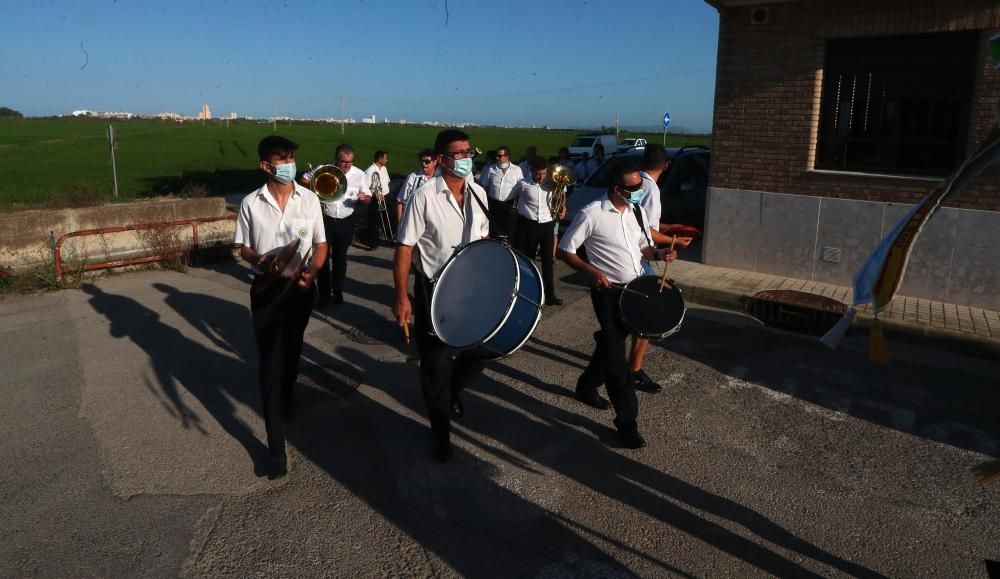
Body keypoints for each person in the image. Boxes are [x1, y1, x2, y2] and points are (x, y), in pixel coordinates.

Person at [557, 162, 676, 449]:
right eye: (634, 188)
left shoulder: (637, 210)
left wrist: (660, 253)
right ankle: (626, 424)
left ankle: (586, 387)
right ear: (616, 189)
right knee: (617, 363)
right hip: (607, 293)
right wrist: (593, 273)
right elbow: (565, 250)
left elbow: (642, 247)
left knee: (611, 343)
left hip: (635, 291)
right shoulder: (591, 213)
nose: (639, 192)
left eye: (640, 187)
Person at [234, 135, 329, 479]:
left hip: (301, 290)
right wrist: (257, 258)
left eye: (290, 157)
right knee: (269, 366)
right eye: (281, 159)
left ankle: (288, 392)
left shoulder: (310, 200)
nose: (288, 164)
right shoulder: (250, 203)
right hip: (266, 292)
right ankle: (276, 449)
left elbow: (320, 244)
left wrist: (313, 273)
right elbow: (241, 246)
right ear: (265, 165)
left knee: (292, 351)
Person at [393, 129, 490, 463]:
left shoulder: (479, 192)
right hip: (433, 289)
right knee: (436, 365)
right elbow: (404, 248)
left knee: (483, 351)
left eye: (468, 152)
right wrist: (402, 296)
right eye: (457, 154)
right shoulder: (424, 196)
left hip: (471, 290)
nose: (465, 158)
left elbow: (484, 242)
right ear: (440, 159)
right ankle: (440, 434)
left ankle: (450, 393)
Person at [628, 144, 692, 393]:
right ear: (666, 166)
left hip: (633, 254)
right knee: (649, 317)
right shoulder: (651, 189)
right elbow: (645, 231)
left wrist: (667, 226)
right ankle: (633, 370)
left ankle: (615, 351)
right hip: (640, 257)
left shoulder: (637, 182)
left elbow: (643, 221)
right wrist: (675, 241)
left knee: (636, 315)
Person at [301, 144, 371, 307]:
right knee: (322, 259)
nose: (346, 165)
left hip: (347, 221)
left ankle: (337, 291)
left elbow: (369, 197)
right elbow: (304, 179)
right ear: (336, 159)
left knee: (341, 259)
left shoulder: (359, 174)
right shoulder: (325, 168)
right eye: (343, 162)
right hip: (326, 220)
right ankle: (324, 294)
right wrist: (314, 185)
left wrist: (363, 198)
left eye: (349, 162)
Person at [512, 156, 563, 306]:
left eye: (543, 173)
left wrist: (562, 206)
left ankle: (550, 295)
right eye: (538, 174)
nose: (541, 177)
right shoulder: (523, 184)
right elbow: (511, 197)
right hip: (529, 225)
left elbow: (561, 196)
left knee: (547, 262)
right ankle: (529, 293)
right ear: (532, 171)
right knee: (529, 260)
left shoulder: (551, 182)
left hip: (547, 225)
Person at [478, 144, 523, 238]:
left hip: (509, 206)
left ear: (507, 156)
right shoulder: (491, 169)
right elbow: (484, 187)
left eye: (500, 156)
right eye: (497, 156)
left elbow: (521, 188)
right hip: (493, 205)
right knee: (493, 231)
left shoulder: (517, 170)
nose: (497, 158)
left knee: (509, 232)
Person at [396, 148, 437, 224]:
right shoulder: (412, 178)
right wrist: (400, 223)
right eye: (422, 161)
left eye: (427, 161)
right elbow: (400, 201)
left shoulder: (441, 177)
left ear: (435, 162)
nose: (424, 164)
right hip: (413, 220)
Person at [363, 150, 391, 250]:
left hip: (385, 197)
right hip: (375, 200)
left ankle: (389, 239)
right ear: (380, 159)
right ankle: (373, 243)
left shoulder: (383, 168)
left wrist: (384, 195)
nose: (387, 160)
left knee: (386, 220)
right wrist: (376, 194)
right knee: (373, 221)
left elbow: (387, 181)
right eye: (385, 158)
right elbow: (365, 187)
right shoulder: (370, 171)